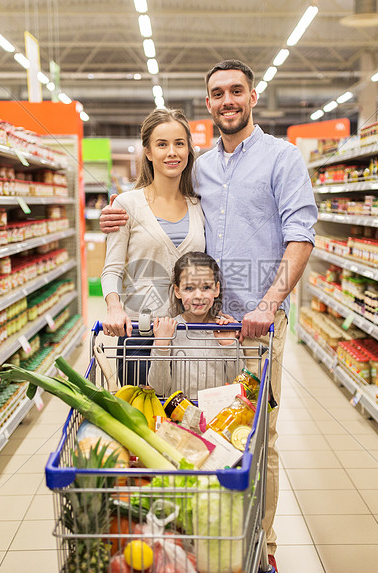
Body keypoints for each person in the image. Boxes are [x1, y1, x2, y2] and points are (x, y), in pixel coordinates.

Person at [101, 59, 318, 569]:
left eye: (236, 91)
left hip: (255, 329)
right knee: (191, 431)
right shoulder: (204, 171)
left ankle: (261, 548)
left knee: (258, 438)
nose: (227, 101)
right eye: (217, 93)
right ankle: (191, 542)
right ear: (209, 104)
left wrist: (267, 306)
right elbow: (147, 205)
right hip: (193, 330)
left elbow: (301, 237)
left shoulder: (282, 159)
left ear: (253, 96)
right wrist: (111, 211)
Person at [101, 108, 206, 385]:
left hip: (188, 332)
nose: (172, 152)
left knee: (183, 419)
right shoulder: (127, 204)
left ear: (188, 149)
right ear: (148, 152)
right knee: (142, 417)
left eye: (179, 143)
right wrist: (114, 307)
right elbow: (111, 269)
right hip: (140, 331)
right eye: (162, 144)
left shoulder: (199, 206)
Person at [148, 251, 242, 399]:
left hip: (218, 417)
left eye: (206, 287)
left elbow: (239, 385)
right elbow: (158, 388)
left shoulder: (224, 330)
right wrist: (162, 345)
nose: (198, 296)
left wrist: (229, 345)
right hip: (178, 416)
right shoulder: (169, 330)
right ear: (177, 291)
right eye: (189, 288)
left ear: (216, 289)